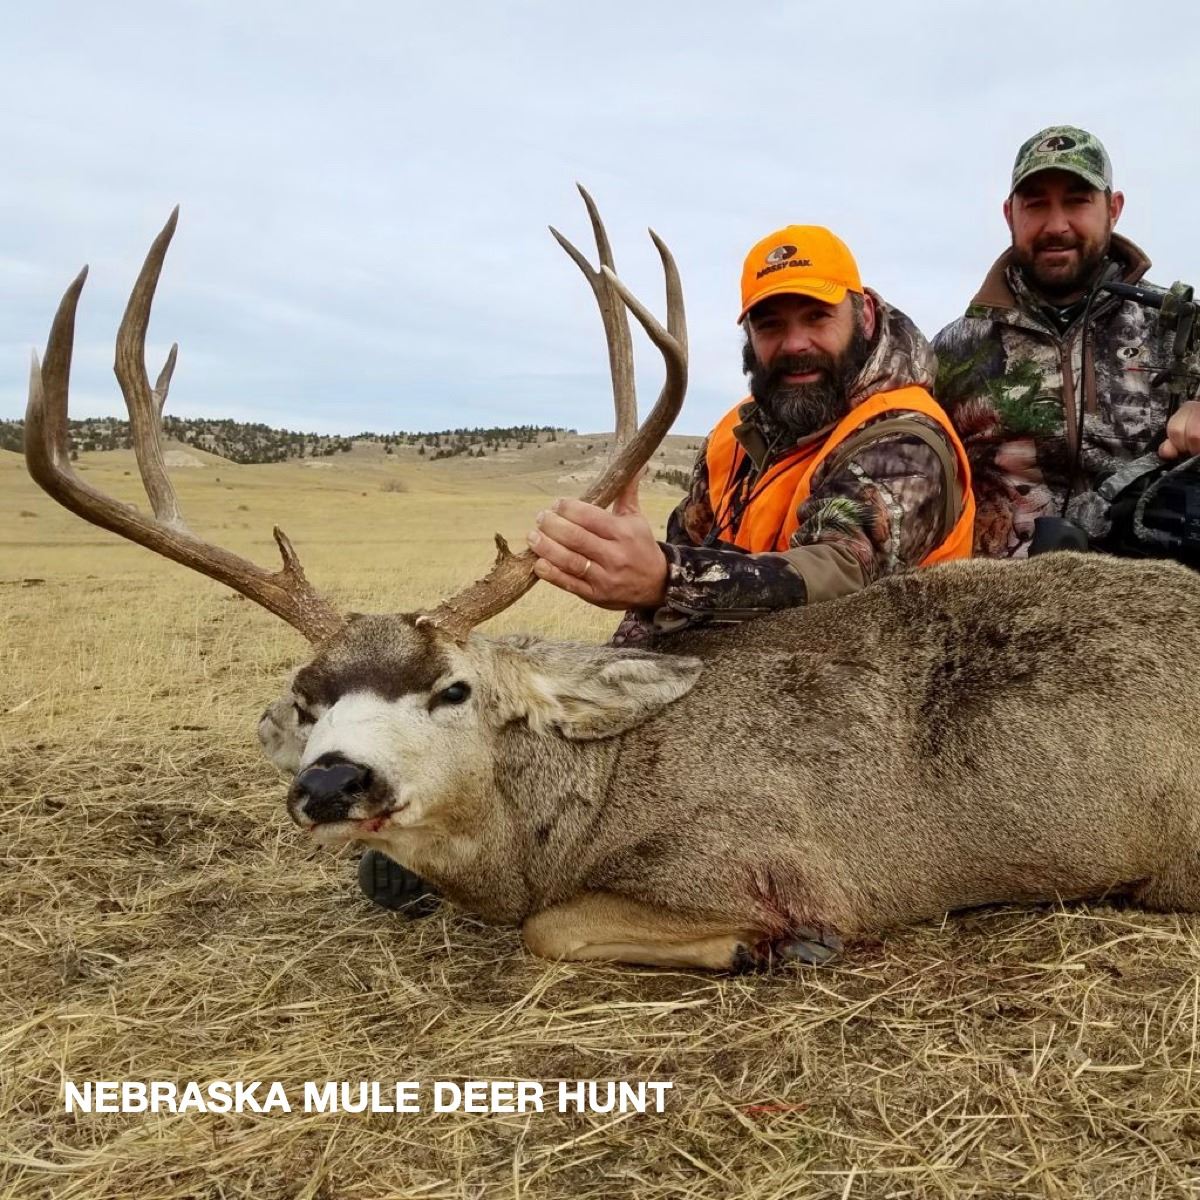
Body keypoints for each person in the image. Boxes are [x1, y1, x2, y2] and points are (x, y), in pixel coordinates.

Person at [527, 224, 974, 643]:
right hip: (748, 676)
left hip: (876, 685)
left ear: (866, 315)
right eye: (770, 324)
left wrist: (668, 577)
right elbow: (681, 563)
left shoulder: (906, 441)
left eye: (817, 317)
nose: (795, 343)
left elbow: (842, 571)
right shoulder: (734, 436)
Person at [934, 125, 1200, 559]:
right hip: (996, 593)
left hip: (1152, 586)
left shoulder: (1180, 331)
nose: (1056, 225)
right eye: (1036, 204)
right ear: (1009, 214)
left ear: (1113, 208)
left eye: (1077, 201)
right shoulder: (953, 350)